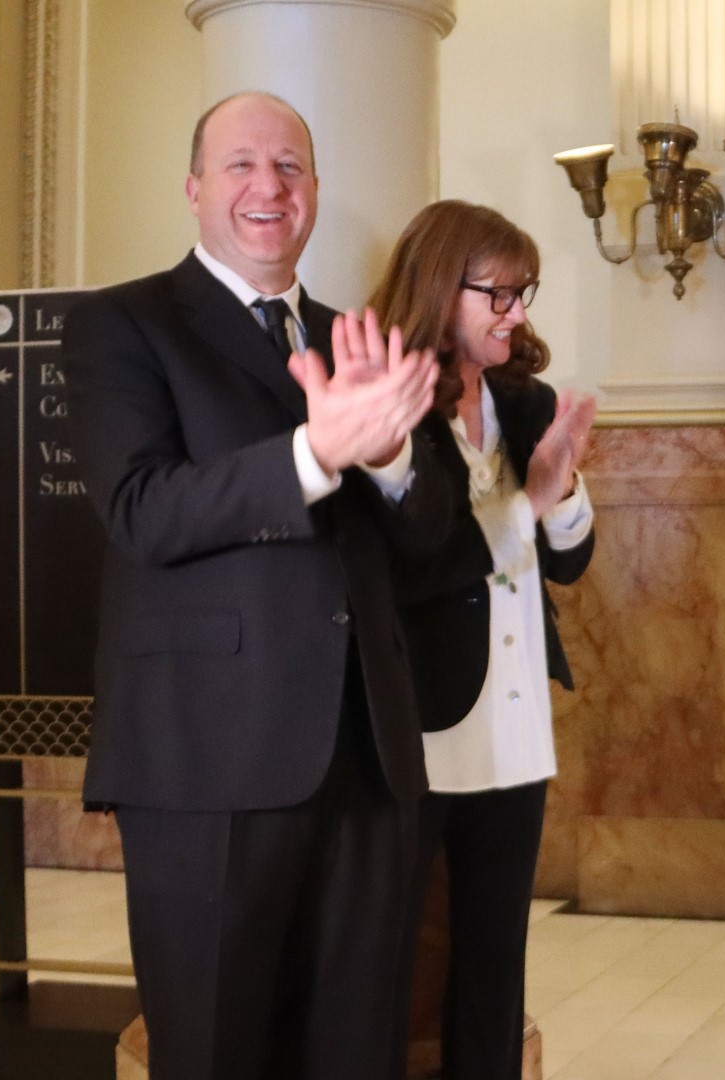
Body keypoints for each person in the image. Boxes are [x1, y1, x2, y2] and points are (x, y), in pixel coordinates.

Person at [64, 91, 454, 1079]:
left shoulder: (357, 339)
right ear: (195, 188)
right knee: (213, 1053)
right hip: (206, 761)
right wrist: (318, 450)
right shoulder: (124, 324)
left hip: (367, 758)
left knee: (357, 1052)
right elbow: (144, 510)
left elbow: (429, 536)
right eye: (241, 164)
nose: (267, 186)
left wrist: (395, 454)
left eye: (289, 166)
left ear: (316, 191)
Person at [368, 200, 597, 1080]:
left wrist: (563, 490)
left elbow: (569, 564)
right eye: (499, 292)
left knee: (496, 962)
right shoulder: (391, 404)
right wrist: (525, 506)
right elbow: (418, 561)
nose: (518, 312)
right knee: (388, 963)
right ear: (440, 284)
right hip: (418, 722)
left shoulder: (526, 399)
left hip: (515, 721)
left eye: (523, 292)